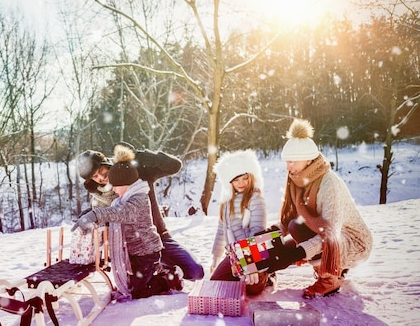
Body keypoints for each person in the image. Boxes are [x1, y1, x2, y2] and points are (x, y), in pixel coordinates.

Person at [274, 118, 373, 298]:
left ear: (308, 159)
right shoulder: (298, 180)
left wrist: (302, 251)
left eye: (293, 162)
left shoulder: (329, 184)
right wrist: (272, 233)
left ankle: (329, 279)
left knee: (297, 232)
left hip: (353, 242)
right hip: (327, 235)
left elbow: (330, 234)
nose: (288, 167)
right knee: (290, 234)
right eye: (287, 161)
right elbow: (291, 219)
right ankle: (332, 268)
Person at [77, 145, 204, 280]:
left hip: (158, 237)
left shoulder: (137, 172)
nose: (101, 177)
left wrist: (141, 156)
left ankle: (164, 265)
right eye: (95, 176)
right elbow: (105, 219)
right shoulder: (99, 198)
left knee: (195, 272)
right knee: (139, 286)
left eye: (101, 169)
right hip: (132, 250)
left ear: (106, 162)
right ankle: (160, 270)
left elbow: (175, 166)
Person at [208, 149, 269, 295]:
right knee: (217, 283)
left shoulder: (256, 198)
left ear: (251, 177)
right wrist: (216, 258)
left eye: (244, 178)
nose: (241, 183)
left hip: (254, 253)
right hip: (235, 256)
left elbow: (257, 231)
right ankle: (242, 273)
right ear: (229, 182)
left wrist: (252, 264)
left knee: (251, 288)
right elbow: (221, 231)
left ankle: (266, 274)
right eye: (236, 180)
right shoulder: (226, 202)